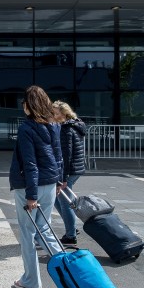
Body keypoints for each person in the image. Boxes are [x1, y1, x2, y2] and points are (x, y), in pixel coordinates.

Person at [9, 85, 63, 288]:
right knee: (45, 230)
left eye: (24, 102)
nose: (22, 106)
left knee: (28, 234)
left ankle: (31, 281)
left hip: (30, 187)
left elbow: (30, 164)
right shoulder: (54, 125)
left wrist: (31, 196)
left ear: (29, 105)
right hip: (50, 183)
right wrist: (59, 181)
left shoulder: (27, 128)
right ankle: (69, 269)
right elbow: (58, 155)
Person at [52, 100, 87, 245]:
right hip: (76, 168)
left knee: (64, 202)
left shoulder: (66, 129)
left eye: (56, 113)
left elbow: (66, 155)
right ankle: (71, 226)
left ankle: (71, 235)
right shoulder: (75, 124)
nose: (53, 116)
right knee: (56, 198)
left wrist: (63, 178)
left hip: (69, 170)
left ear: (64, 114)